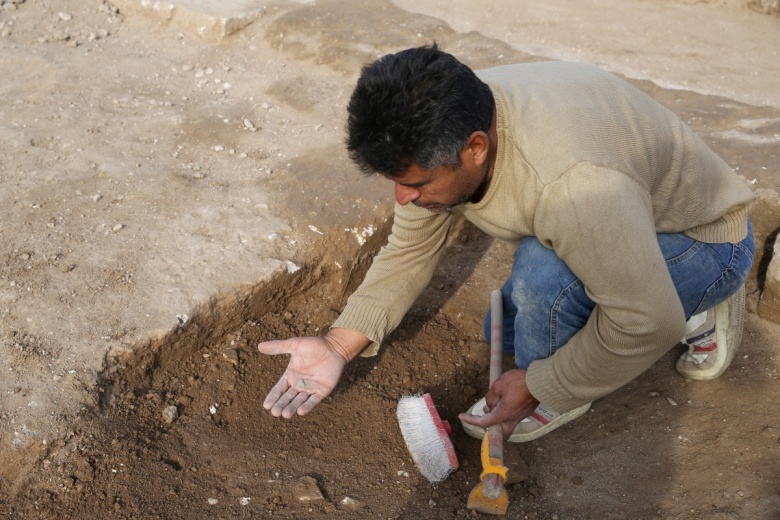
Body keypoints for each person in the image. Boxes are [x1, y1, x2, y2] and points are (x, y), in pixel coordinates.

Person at [258, 44, 755, 442]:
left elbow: (648, 320)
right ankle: (634, 292)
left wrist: (542, 385)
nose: (401, 197)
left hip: (704, 237)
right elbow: (410, 248)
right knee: (510, 327)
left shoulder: (571, 185)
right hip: (623, 213)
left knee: (544, 277)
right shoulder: (452, 114)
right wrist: (338, 345)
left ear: (475, 147)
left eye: (417, 183)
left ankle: (704, 304)